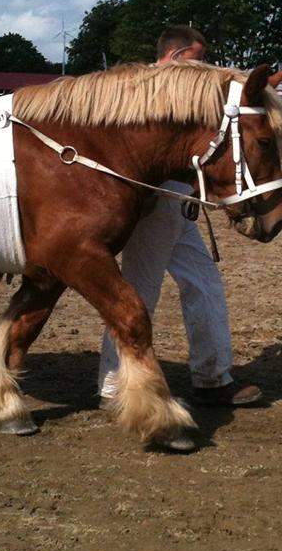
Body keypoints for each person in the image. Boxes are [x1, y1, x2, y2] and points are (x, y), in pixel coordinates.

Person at [97, 25, 261, 409]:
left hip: (177, 202)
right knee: (138, 292)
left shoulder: (166, 91)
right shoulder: (149, 91)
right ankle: (113, 384)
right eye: (196, 60)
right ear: (174, 56)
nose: (201, 69)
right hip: (156, 203)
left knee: (203, 283)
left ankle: (212, 377)